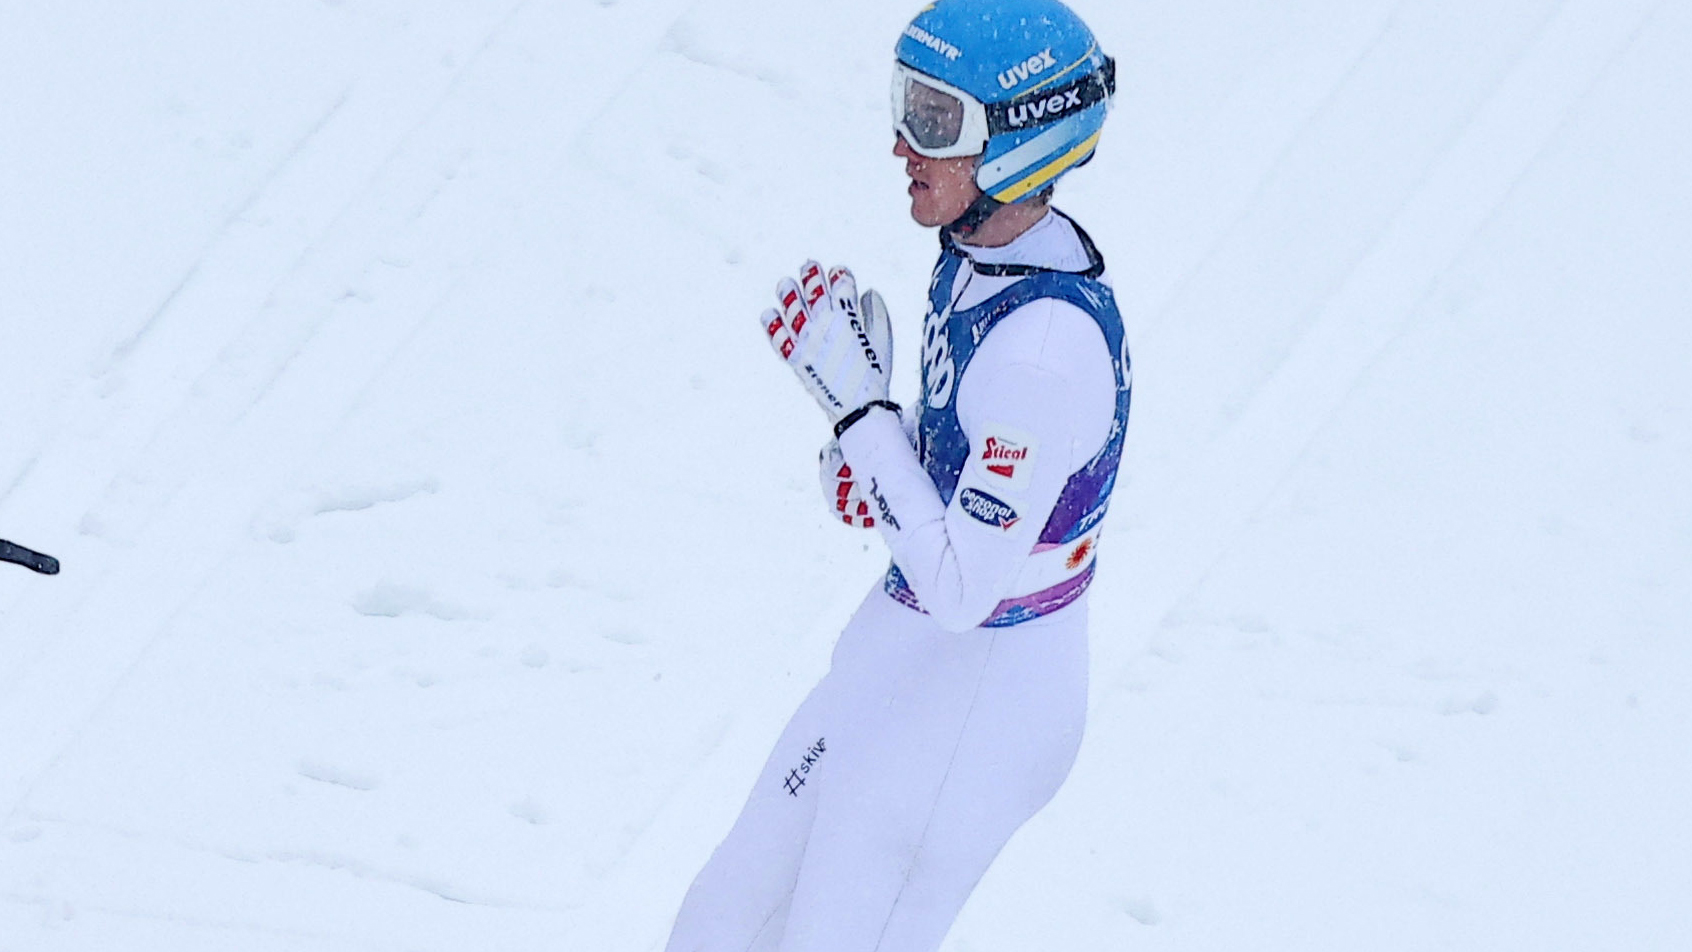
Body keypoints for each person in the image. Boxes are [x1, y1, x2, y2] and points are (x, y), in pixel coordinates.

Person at [665, 2, 1127, 949]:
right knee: (722, 920)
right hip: (905, 662)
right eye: (904, 103)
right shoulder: (978, 260)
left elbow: (963, 584)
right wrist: (884, 453)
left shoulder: (1044, 346)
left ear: (1017, 147)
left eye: (936, 120)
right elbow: (964, 459)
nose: (902, 144)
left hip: (975, 705)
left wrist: (863, 417)